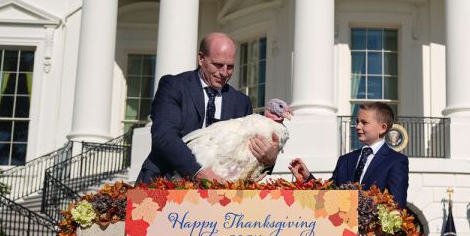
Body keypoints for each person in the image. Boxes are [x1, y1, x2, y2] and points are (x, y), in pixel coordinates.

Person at [136, 32, 279, 183]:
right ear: (201, 58)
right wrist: (198, 172)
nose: (224, 73)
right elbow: (164, 136)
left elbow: (248, 156)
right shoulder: (174, 86)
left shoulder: (241, 102)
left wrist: (269, 160)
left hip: (220, 193)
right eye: (218, 64)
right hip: (164, 181)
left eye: (230, 67)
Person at [289, 102, 409, 208]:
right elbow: (328, 195)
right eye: (357, 122)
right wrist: (307, 178)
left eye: (364, 122)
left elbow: (396, 206)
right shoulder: (345, 160)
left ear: (382, 128)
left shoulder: (396, 161)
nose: (357, 127)